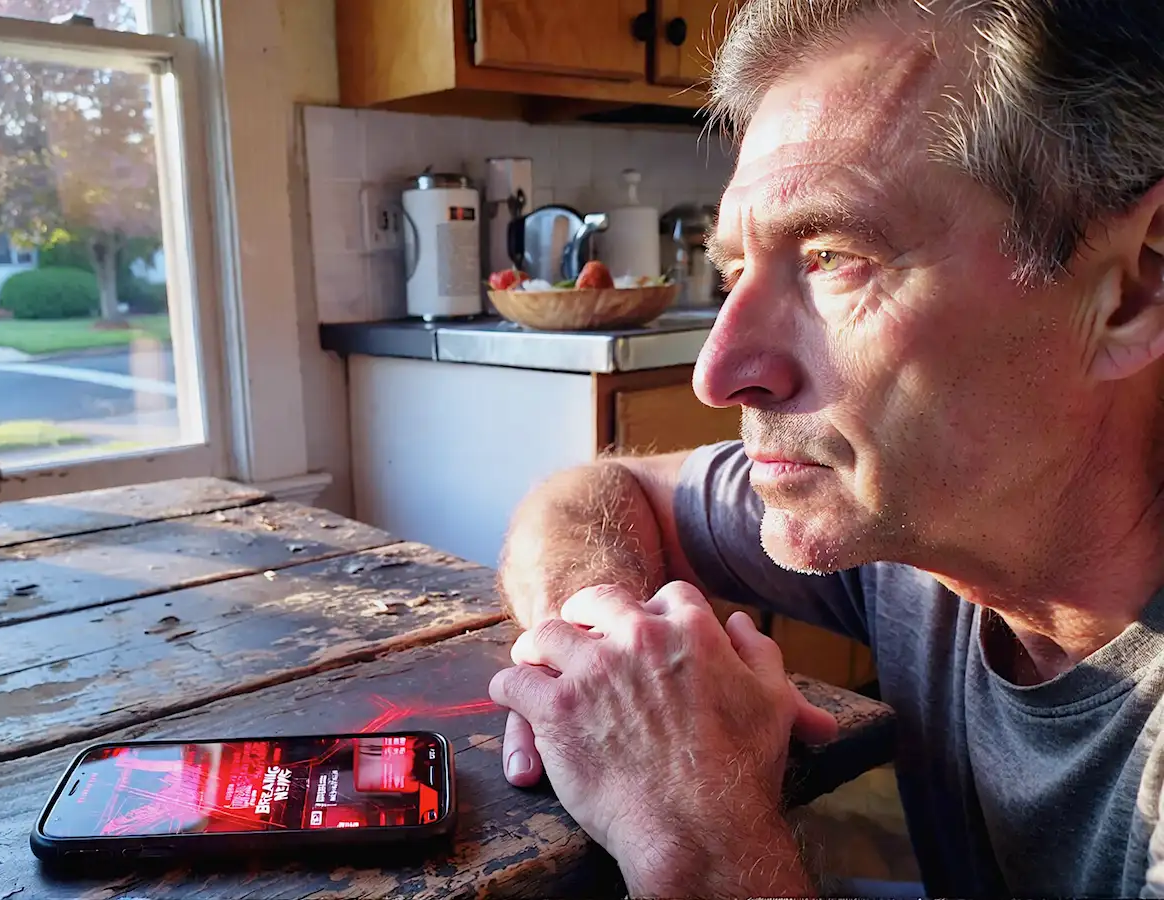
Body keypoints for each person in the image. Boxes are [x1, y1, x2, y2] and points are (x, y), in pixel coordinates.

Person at [486, 1, 1164, 896]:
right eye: (735, 272)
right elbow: (593, 491)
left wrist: (701, 835)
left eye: (833, 255)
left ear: (1132, 289)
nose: (719, 371)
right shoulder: (928, 527)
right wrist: (603, 648)